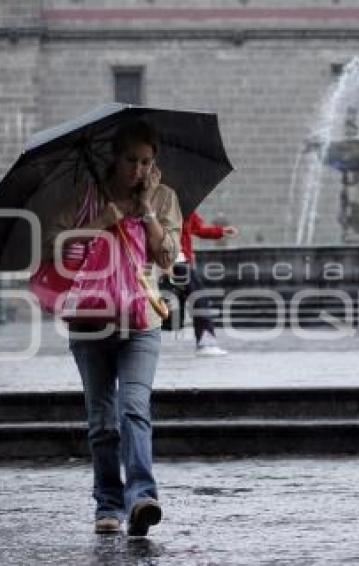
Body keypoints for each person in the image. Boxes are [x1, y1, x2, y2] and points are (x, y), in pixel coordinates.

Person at [43, 120, 182, 537]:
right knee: (103, 420)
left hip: (142, 318)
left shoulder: (164, 197)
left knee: (133, 409)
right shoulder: (86, 197)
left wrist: (149, 215)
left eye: (147, 162)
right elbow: (52, 246)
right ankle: (108, 502)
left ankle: (141, 496)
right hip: (90, 318)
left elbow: (167, 258)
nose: (139, 170)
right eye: (131, 161)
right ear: (114, 159)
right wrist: (99, 222)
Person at [162, 211, 238, 356]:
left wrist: (221, 231)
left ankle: (205, 341)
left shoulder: (187, 207)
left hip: (181, 260)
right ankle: (206, 343)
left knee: (190, 300)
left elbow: (198, 229)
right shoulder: (164, 204)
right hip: (173, 260)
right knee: (199, 299)